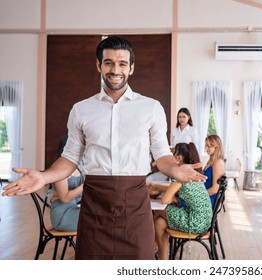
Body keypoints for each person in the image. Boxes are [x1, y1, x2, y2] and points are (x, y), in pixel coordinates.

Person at [2, 36, 206, 260]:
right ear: (99, 65)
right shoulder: (81, 110)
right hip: (95, 203)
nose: (115, 69)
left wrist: (175, 170)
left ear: (131, 68)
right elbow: (69, 158)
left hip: (135, 203)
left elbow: (161, 154)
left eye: (122, 63)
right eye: (108, 62)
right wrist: (44, 177)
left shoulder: (152, 108)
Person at [152, 142, 212, 260]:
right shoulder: (192, 174)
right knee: (159, 223)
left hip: (195, 222)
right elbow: (174, 190)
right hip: (205, 221)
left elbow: (165, 200)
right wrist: (158, 187)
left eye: (173, 153)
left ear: (179, 158)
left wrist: (169, 196)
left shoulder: (181, 175)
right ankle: (163, 259)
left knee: (158, 212)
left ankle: (153, 245)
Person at [50, 132, 84, 231]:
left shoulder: (77, 167)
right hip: (62, 215)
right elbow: (64, 198)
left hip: (73, 209)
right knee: (96, 219)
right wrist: (83, 187)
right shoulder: (59, 169)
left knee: (101, 214)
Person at [204, 135, 225, 207]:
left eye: (209, 146)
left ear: (216, 147)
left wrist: (198, 196)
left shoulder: (218, 163)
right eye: (206, 146)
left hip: (208, 199)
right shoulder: (211, 161)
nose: (206, 148)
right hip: (205, 196)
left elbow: (215, 189)